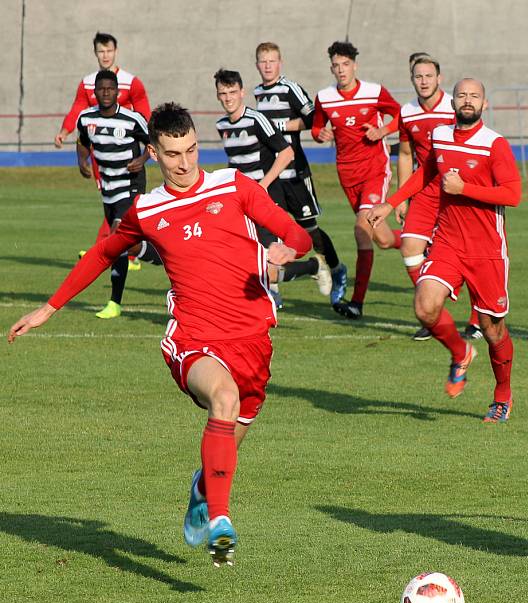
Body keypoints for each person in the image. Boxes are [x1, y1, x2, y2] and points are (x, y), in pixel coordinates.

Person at [9, 103, 312, 567]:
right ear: (153, 153)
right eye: (173, 154)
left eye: (191, 150)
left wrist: (287, 249)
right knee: (224, 400)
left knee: (230, 430)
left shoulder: (234, 186)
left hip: (253, 336)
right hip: (192, 336)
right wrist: (49, 308)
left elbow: (300, 236)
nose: (185, 162)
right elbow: (102, 253)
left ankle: (202, 489)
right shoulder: (147, 210)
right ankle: (221, 522)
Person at [368, 78, 521, 422]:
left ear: (485, 104)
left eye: (474, 96)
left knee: (493, 328)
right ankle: (461, 352)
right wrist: (391, 202)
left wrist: (465, 188)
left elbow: (512, 195)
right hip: (448, 243)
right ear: (452, 102)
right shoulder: (439, 135)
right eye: (462, 95)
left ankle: (502, 395)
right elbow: (426, 173)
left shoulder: (494, 144)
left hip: (487, 250)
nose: (467, 100)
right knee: (425, 307)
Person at [214, 68, 329, 305]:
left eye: (232, 92)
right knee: (243, 254)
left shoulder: (257, 119)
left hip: (264, 198)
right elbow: (235, 162)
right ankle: (271, 292)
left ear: (242, 92)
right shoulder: (222, 124)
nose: (228, 98)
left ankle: (312, 266)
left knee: (271, 257)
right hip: (239, 201)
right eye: (223, 93)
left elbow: (286, 152)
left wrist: (262, 185)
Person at [311, 40, 402, 320]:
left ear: (355, 65)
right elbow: (317, 125)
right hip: (347, 174)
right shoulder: (325, 97)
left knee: (361, 227)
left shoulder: (374, 91)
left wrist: (382, 130)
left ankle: (357, 302)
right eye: (336, 66)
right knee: (383, 239)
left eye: (346, 64)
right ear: (331, 68)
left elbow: (400, 115)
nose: (341, 70)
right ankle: (421, 241)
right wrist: (319, 134)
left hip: (375, 168)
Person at [253, 41, 347, 308]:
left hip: (296, 174)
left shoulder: (290, 88)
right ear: (257, 64)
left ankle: (335, 267)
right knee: (271, 233)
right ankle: (272, 289)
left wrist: (280, 125)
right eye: (263, 61)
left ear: (280, 62)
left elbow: (313, 118)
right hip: (273, 176)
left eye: (272, 61)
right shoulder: (258, 92)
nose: (268, 66)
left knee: (310, 231)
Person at [395, 54, 481, 342]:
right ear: (412, 79)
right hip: (425, 190)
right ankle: (432, 314)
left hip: (457, 189)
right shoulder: (407, 112)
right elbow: (406, 155)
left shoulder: (454, 106)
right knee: (409, 247)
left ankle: (476, 318)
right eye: (418, 76)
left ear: (439, 78)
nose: (423, 81)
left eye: (428, 76)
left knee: (468, 253)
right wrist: (401, 196)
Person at [55, 32, 151, 269]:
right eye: (101, 51)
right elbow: (78, 110)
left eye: (109, 51)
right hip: (102, 159)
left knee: (122, 207)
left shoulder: (131, 82)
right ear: (95, 53)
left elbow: (145, 115)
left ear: (115, 51)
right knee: (114, 206)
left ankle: (109, 251)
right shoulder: (88, 83)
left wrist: (146, 151)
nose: (105, 55)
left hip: (127, 158)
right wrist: (65, 131)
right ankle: (127, 251)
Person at [75, 70, 150, 318]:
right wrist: (82, 160)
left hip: (130, 186)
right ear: (95, 92)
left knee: (117, 236)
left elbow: (154, 142)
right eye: (101, 89)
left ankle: (114, 303)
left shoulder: (132, 119)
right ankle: (154, 251)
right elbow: (83, 141)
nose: (106, 93)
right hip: (108, 189)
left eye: (110, 89)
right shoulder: (86, 118)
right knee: (124, 243)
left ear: (118, 92)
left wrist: (142, 159)